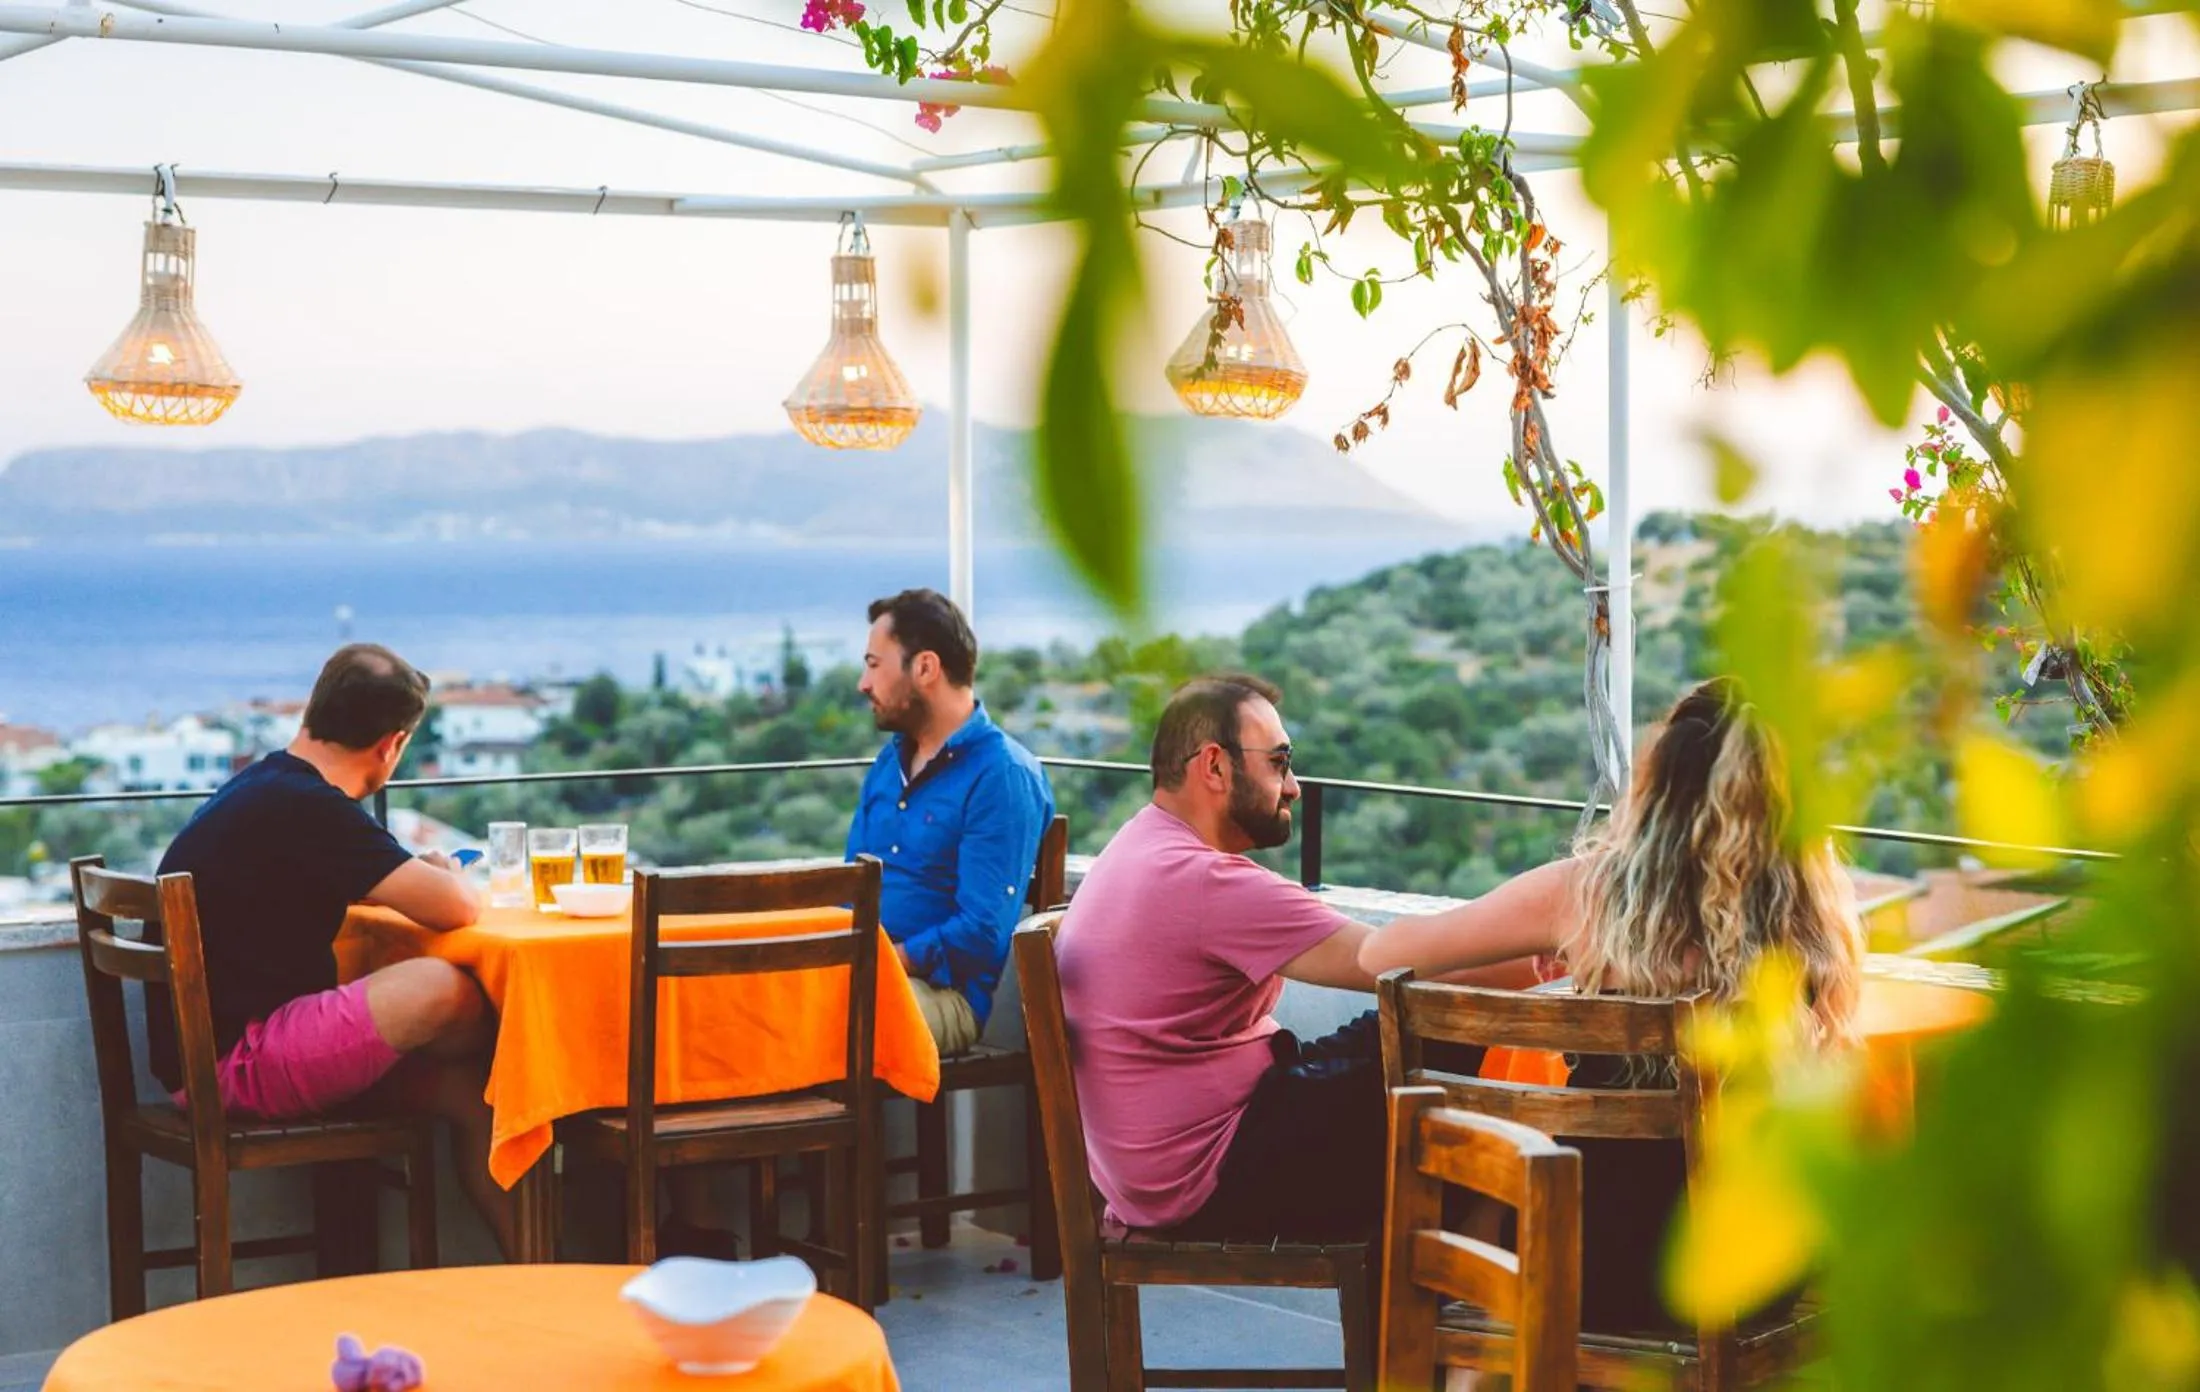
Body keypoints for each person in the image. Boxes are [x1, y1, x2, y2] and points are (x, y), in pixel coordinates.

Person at [1358, 676, 1865, 1329]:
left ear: (1658, 784)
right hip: (1749, 1277)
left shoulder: (1588, 894)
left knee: (1512, 1192)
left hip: (1584, 1260)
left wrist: (1572, 946)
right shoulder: (1813, 913)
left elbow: (1381, 955)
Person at [1055, 673, 1527, 1246]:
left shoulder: (1140, 845)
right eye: (1280, 762)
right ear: (1215, 766)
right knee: (1448, 1029)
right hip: (1214, 1172)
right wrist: (1556, 958)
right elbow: (1398, 965)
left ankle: (1467, 1252)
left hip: (1164, 1167)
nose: (1295, 786)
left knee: (1411, 1027)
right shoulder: (1203, 880)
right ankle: (1470, 1273)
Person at [150, 643, 514, 1255]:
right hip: (238, 1063)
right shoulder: (313, 807)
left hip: (203, 1062)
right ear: (392, 745)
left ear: (313, 713)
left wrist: (403, 872)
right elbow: (459, 908)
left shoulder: (266, 784)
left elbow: (335, 873)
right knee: (446, 991)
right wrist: (443, 877)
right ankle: (528, 1055)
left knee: (473, 1095)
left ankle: (533, 1268)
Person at [847, 587, 1055, 1054]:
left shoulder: (1002, 775)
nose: (863, 683)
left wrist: (880, 961)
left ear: (924, 668)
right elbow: (848, 891)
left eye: (874, 664)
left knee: (821, 1012)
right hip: (864, 973)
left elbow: (981, 931)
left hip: (946, 999)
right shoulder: (888, 765)